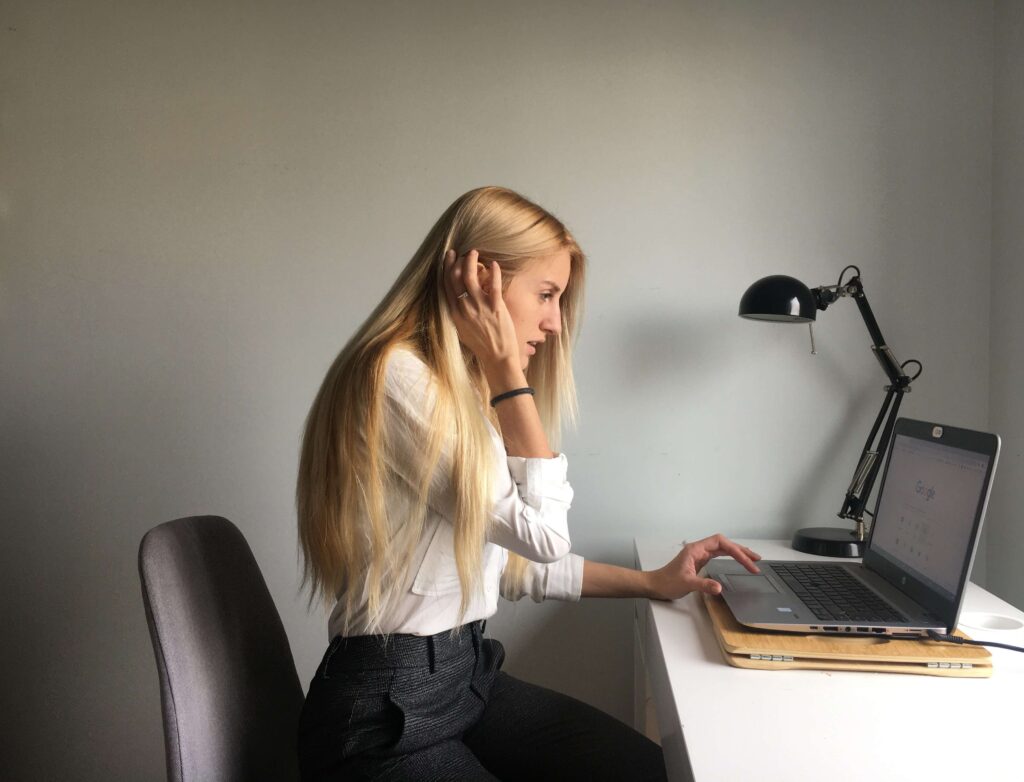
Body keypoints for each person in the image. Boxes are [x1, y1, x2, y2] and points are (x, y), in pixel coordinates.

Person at [296, 186, 761, 781]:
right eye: (545, 294)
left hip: (468, 677)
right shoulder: (396, 378)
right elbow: (544, 537)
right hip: (388, 715)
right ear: (477, 282)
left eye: (560, 299)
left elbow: (516, 562)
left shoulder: (457, 389)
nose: (555, 321)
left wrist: (652, 582)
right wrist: (506, 373)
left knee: (650, 771)